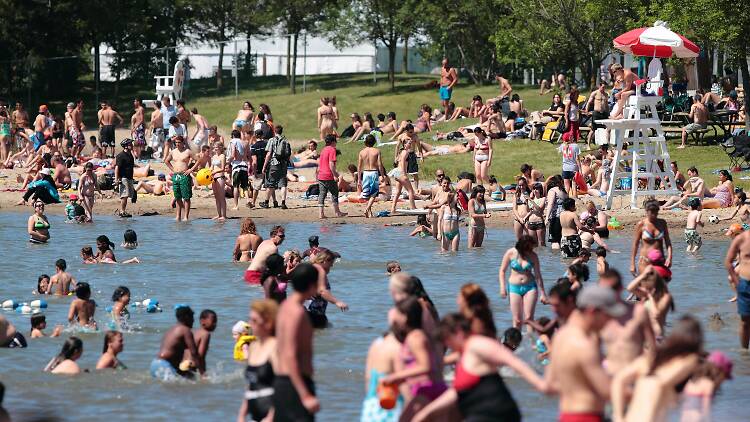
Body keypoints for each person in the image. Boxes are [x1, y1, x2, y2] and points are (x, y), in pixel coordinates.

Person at [413, 313, 549, 422]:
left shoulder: (480, 345)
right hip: (480, 409)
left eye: (447, 340)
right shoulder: (466, 352)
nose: (447, 345)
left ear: (458, 334)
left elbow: (515, 363)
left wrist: (540, 383)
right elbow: (455, 387)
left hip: (498, 412)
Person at [546, 285, 626, 422]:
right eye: (608, 315)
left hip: (566, 416)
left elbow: (550, 385)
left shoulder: (560, 336)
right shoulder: (585, 345)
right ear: (592, 311)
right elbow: (608, 391)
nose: (610, 321)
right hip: (588, 417)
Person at [612, 316, 704, 422]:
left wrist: (618, 416)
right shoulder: (689, 359)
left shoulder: (650, 359)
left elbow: (619, 380)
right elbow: (660, 384)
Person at [380, 297, 446, 421]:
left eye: (397, 313)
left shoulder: (415, 337)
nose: (394, 316)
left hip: (429, 390)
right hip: (422, 390)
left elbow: (426, 366)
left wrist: (397, 376)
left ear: (405, 317)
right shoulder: (413, 335)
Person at [274, 263, 321, 421]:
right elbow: (289, 354)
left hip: (283, 382)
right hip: (295, 384)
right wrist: (305, 394)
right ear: (311, 285)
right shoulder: (297, 313)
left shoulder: (285, 307)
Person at [598, 270, 656, 375]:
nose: (608, 293)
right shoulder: (598, 317)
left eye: (612, 289)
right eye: (603, 290)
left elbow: (652, 347)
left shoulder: (639, 312)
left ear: (620, 288)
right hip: (608, 375)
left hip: (634, 375)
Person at [238, 299, 279, 422]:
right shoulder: (253, 347)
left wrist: (271, 417)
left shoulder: (276, 347)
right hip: (256, 416)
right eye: (250, 319)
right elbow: (251, 384)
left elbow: (285, 386)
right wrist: (241, 415)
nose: (250, 324)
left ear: (269, 322)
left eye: (255, 320)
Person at [499, 235, 548, 329]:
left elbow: (538, 275)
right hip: (514, 287)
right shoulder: (511, 253)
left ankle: (531, 342)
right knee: (517, 320)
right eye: (528, 247)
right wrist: (502, 287)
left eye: (531, 247)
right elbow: (502, 271)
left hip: (530, 287)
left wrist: (543, 293)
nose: (530, 249)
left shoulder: (533, 256)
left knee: (529, 318)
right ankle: (516, 342)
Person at [360, 325, 403, 421]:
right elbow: (406, 389)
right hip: (392, 408)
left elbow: (368, 381)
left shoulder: (376, 344)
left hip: (371, 407)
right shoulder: (398, 348)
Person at [679, 351, 733, 422]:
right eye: (725, 376)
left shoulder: (691, 382)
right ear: (718, 371)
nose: (723, 381)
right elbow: (706, 411)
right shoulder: (708, 385)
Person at [151, 306, 202, 380]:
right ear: (187, 317)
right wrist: (202, 371)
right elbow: (194, 353)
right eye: (192, 317)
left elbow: (174, 353)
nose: (193, 320)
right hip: (164, 366)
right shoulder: (185, 330)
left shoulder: (171, 330)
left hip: (155, 364)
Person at [626, 265, 674, 340]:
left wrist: (650, 298)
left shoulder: (665, 297)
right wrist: (643, 275)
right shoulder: (646, 294)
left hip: (656, 336)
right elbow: (630, 288)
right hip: (644, 335)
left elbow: (656, 314)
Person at [307, 250, 349, 328]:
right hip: (316, 313)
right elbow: (322, 291)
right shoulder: (320, 271)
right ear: (325, 261)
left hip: (308, 311)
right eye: (331, 263)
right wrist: (337, 302)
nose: (332, 266)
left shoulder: (312, 268)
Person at [630, 200, 672, 275]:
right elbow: (635, 245)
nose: (653, 215)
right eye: (651, 212)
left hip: (660, 261)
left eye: (656, 212)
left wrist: (669, 258)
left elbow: (668, 242)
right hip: (645, 261)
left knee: (660, 285)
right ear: (646, 211)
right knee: (645, 284)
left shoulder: (662, 223)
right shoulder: (641, 224)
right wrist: (632, 264)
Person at [724, 228, 750, 348]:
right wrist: (737, 282)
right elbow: (728, 262)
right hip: (745, 284)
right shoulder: (741, 238)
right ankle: (744, 353)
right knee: (745, 322)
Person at [165, 135, 200, 221]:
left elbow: (198, 160)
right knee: (177, 196)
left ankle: (186, 217)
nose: (177, 144)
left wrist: (190, 170)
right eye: (176, 142)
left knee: (186, 197)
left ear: (183, 143)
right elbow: (166, 161)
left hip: (184, 175)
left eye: (179, 142)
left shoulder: (187, 151)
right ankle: (178, 216)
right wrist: (173, 170)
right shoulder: (173, 152)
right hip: (176, 175)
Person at [260, 126, 291, 209]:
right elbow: (288, 155)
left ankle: (266, 202)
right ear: (281, 131)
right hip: (283, 165)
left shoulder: (272, 140)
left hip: (274, 164)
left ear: (275, 131)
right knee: (283, 184)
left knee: (271, 184)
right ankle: (283, 203)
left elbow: (269, 154)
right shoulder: (285, 141)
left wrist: (264, 166)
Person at [316, 134, 347, 218]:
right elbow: (331, 164)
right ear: (333, 142)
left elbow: (320, 164)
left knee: (322, 194)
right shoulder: (332, 149)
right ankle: (337, 212)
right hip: (328, 175)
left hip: (321, 175)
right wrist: (335, 175)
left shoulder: (323, 150)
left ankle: (321, 214)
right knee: (334, 192)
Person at [357, 134, 386, 218]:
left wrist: (359, 178)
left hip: (365, 173)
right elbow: (380, 165)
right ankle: (367, 209)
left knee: (367, 194)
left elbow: (359, 166)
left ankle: (370, 213)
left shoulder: (362, 152)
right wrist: (382, 176)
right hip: (373, 172)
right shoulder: (377, 151)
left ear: (365, 142)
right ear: (374, 142)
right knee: (374, 193)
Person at [390, 135, 417, 213]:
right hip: (401, 173)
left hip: (397, 173)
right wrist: (404, 174)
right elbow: (402, 162)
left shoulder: (401, 152)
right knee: (411, 191)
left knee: (398, 192)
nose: (410, 145)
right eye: (408, 143)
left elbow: (398, 161)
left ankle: (393, 208)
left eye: (410, 143)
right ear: (404, 145)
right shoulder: (406, 152)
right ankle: (413, 207)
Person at [187, 309, 217, 377]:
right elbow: (200, 356)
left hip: (183, 364)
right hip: (191, 367)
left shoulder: (194, 332)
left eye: (216, 322)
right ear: (202, 321)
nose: (215, 324)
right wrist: (203, 373)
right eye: (213, 321)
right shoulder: (205, 334)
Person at [114, 138, 136, 218]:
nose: (132, 145)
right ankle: (122, 211)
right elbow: (117, 168)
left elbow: (131, 167)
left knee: (129, 195)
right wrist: (116, 179)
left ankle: (123, 210)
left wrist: (132, 178)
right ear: (125, 146)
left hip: (129, 177)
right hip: (123, 178)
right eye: (130, 144)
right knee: (124, 195)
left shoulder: (130, 155)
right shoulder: (121, 156)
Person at [545, 175, 568, 249]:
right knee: (561, 239)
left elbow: (550, 204)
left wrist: (547, 217)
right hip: (565, 218)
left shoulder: (553, 190)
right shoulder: (564, 192)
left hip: (556, 218)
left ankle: (555, 259)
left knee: (554, 241)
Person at [208, 142, 227, 220]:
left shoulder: (222, 156)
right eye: (214, 147)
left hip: (220, 177)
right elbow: (211, 168)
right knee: (216, 197)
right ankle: (219, 214)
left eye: (217, 147)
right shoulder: (214, 156)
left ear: (221, 147)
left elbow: (223, 168)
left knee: (221, 197)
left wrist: (215, 172)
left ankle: (224, 215)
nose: (215, 148)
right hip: (213, 178)